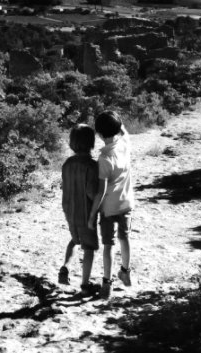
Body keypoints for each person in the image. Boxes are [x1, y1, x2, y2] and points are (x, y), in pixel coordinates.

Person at [89, 111, 134, 299]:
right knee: (125, 239)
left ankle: (106, 284)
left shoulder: (104, 158)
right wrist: (117, 121)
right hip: (126, 203)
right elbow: (123, 130)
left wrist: (92, 216)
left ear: (98, 134)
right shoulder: (125, 144)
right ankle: (125, 271)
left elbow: (100, 192)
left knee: (108, 245)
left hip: (108, 209)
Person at [58, 124, 99, 296]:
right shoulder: (91, 165)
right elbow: (91, 192)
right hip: (85, 212)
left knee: (74, 240)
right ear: (91, 142)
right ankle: (85, 284)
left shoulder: (67, 164)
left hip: (69, 209)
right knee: (89, 248)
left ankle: (65, 266)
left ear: (72, 143)